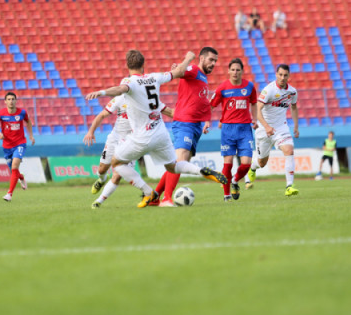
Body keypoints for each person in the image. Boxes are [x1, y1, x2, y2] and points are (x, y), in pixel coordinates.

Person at [85, 50, 227, 208]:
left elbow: (120, 90)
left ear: (127, 65)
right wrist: (188, 57)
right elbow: (179, 71)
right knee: (172, 166)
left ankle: (148, 192)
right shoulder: (155, 77)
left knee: (116, 162)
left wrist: (101, 92)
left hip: (143, 136)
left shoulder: (130, 81)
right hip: (161, 133)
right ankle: (202, 171)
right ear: (143, 65)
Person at [152, 46, 219, 207]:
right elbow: (177, 73)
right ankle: (166, 199)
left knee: (178, 165)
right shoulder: (194, 69)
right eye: (211, 59)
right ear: (201, 58)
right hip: (185, 122)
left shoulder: (202, 76)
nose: (213, 63)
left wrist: (207, 120)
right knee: (180, 160)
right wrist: (188, 58)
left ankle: (154, 197)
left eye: (215, 61)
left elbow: (201, 101)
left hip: (195, 126)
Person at [84, 94, 173, 209]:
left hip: (131, 142)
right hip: (115, 137)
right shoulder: (120, 99)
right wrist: (91, 131)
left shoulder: (145, 101)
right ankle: (102, 180)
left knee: (117, 175)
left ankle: (99, 201)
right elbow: (102, 115)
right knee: (102, 168)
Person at [247, 64, 300, 196]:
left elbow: (294, 107)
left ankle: (289, 186)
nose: (282, 78)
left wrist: (296, 126)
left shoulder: (292, 92)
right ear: (276, 74)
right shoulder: (269, 90)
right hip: (263, 130)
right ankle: (252, 168)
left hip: (281, 128)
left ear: (289, 76)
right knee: (261, 163)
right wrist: (266, 126)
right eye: (280, 75)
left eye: (285, 75)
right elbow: (257, 110)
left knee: (289, 150)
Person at [210, 58, 257, 201]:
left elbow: (254, 103)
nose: (235, 72)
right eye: (233, 69)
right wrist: (206, 122)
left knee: (246, 163)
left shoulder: (249, 86)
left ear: (242, 71)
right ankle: (226, 195)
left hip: (245, 129)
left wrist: (254, 119)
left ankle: (235, 181)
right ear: (228, 71)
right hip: (228, 129)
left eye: (238, 70)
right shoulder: (222, 88)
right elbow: (211, 106)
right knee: (228, 163)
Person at [0, 92, 35, 202]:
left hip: (20, 143)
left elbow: (28, 122)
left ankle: (9, 194)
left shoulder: (22, 112)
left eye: (13, 99)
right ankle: (21, 177)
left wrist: (31, 135)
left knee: (14, 166)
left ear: (16, 101)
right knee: (13, 170)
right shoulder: (1, 114)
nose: (11, 101)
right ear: (5, 101)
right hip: (7, 145)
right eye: (8, 99)